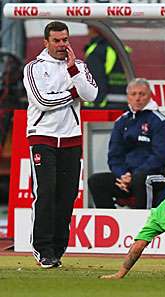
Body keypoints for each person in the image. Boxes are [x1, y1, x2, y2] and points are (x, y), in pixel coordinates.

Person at [23, 21, 98, 268]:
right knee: (45, 193)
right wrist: (72, 93)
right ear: (46, 42)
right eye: (56, 40)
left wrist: (74, 72)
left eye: (65, 40)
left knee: (66, 197)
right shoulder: (33, 68)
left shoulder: (79, 66)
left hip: (71, 138)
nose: (62, 45)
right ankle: (43, 249)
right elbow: (43, 100)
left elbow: (91, 95)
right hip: (42, 136)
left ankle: (57, 250)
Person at [88, 78, 165, 209]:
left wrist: (134, 176)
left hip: (157, 175)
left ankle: (144, 224)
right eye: (133, 94)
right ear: (128, 97)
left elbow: (161, 156)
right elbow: (114, 156)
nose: (137, 98)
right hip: (127, 177)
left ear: (150, 96)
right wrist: (122, 175)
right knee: (96, 181)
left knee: (141, 180)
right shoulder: (121, 122)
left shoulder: (160, 121)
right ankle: (113, 222)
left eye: (142, 94)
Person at [83, 25, 129, 108]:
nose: (87, 31)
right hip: (123, 99)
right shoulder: (119, 47)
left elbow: (96, 77)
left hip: (106, 104)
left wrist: (96, 102)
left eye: (89, 27)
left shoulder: (97, 50)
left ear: (94, 29)